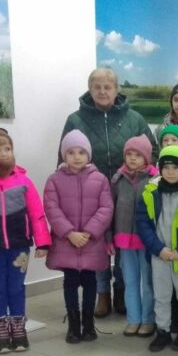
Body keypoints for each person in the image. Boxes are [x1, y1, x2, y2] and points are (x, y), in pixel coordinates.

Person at [60, 68, 158, 318]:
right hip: (91, 196)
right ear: (89, 89)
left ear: (117, 90)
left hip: (127, 193)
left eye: (108, 87)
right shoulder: (75, 120)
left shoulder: (134, 119)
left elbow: (153, 153)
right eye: (97, 87)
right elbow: (63, 159)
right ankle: (102, 293)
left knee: (124, 242)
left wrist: (140, 177)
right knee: (98, 243)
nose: (102, 91)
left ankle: (121, 291)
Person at [0, 127, 51, 353]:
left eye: (7, 148)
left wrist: (43, 242)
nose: (3, 153)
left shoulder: (23, 181)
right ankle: (1, 332)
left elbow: (37, 213)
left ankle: (18, 329)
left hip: (18, 247)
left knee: (16, 288)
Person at [45, 131, 113, 344]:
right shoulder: (54, 180)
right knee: (70, 282)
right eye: (71, 152)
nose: (76, 157)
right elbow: (52, 208)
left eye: (81, 152)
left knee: (91, 282)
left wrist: (89, 232)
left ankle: (89, 324)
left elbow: (106, 208)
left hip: (91, 242)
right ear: (64, 155)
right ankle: (74, 326)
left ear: (88, 154)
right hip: (67, 242)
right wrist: (69, 233)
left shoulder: (100, 179)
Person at [136, 146, 178, 353]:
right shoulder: (150, 193)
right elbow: (143, 224)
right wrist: (159, 249)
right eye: (166, 167)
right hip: (160, 255)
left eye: (175, 167)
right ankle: (163, 331)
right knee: (162, 295)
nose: (170, 172)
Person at [111, 135, 157, 337]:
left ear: (146, 157)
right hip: (124, 241)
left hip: (146, 241)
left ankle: (147, 319)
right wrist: (109, 238)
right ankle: (133, 319)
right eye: (129, 154)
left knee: (147, 281)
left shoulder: (154, 179)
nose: (132, 158)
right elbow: (110, 209)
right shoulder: (118, 179)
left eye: (137, 155)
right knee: (129, 280)